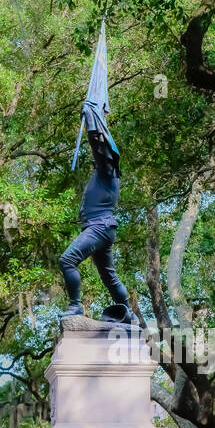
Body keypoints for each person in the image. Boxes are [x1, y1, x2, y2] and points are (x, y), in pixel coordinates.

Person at [59, 128, 135, 321]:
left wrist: (94, 128)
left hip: (99, 227)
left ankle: (76, 306)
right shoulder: (103, 175)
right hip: (102, 227)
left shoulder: (108, 171)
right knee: (110, 277)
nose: (95, 160)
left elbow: (100, 148)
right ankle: (129, 315)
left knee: (67, 260)